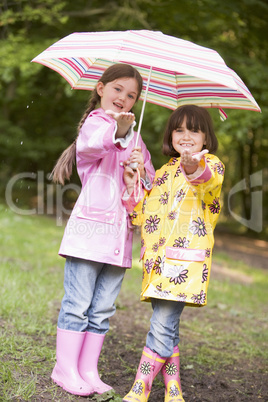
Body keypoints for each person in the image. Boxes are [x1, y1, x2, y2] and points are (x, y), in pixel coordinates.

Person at [50, 63, 155, 396]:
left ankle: (88, 369)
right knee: (78, 304)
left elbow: (149, 185)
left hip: (118, 239)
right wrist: (120, 134)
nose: (123, 98)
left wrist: (139, 172)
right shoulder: (96, 124)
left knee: (102, 310)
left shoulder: (136, 140)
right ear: (100, 88)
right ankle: (64, 368)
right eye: (118, 90)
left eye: (131, 95)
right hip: (89, 235)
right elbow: (92, 147)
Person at [122, 105, 225, 402]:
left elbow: (208, 182)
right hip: (157, 261)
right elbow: (145, 213)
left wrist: (194, 167)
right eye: (179, 129)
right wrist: (135, 181)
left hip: (185, 263)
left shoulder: (212, 164)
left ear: (206, 136)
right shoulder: (166, 171)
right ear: (171, 134)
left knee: (163, 323)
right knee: (167, 324)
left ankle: (141, 385)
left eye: (194, 129)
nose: (186, 136)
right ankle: (173, 388)